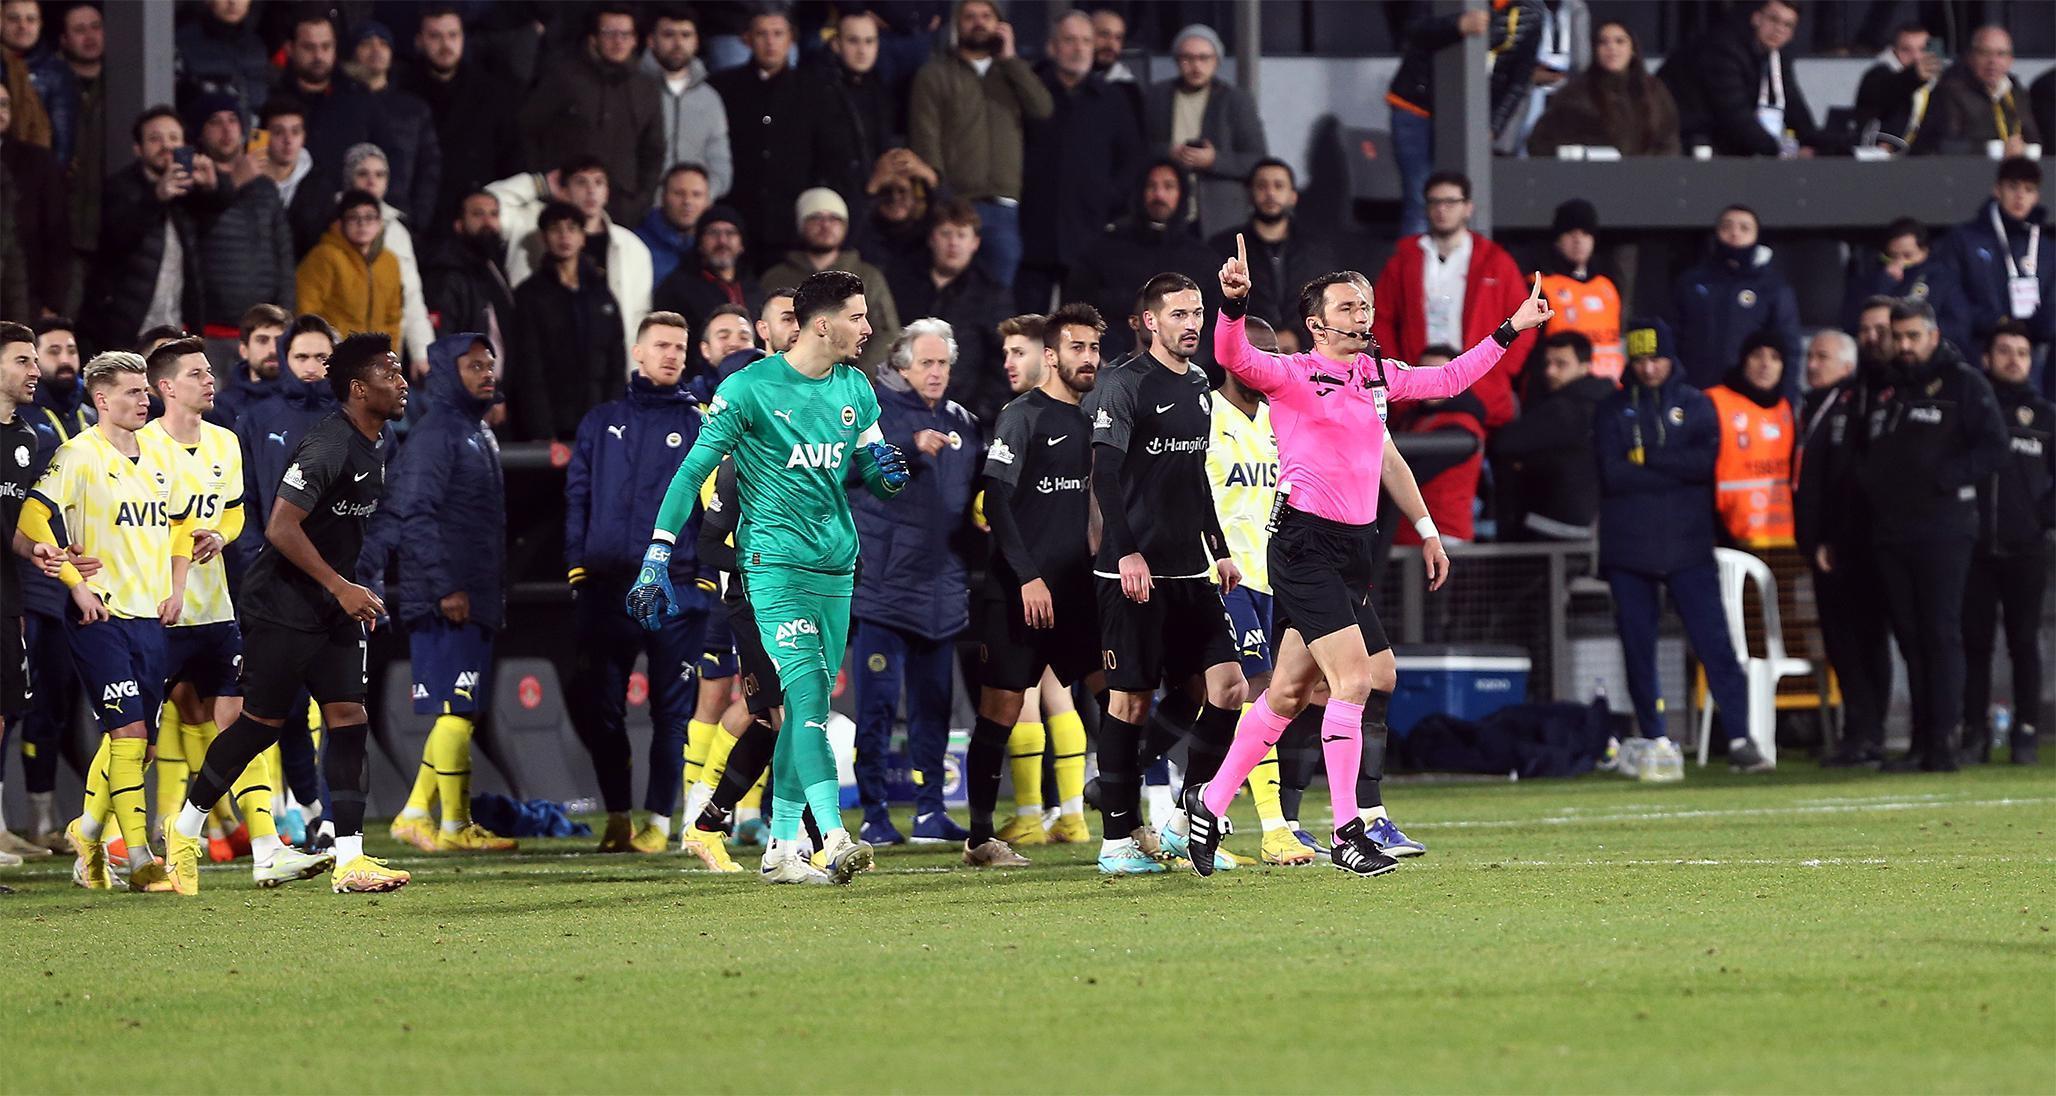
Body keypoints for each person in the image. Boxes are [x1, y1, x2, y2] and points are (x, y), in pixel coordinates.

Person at [1186, 249, 1551, 878]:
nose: (1363, 316)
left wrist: (1510, 329)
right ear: (1320, 324)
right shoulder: (1292, 374)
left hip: (1352, 552)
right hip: (1303, 546)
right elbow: (1232, 357)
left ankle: (1211, 804)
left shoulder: (1378, 375)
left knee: (1292, 690)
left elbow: (1450, 380)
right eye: (1349, 307)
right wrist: (1234, 304)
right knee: (1354, 681)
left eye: (1367, 306)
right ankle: (1350, 829)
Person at [635, 270, 910, 886]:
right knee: (808, 695)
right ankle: (834, 837)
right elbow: (689, 475)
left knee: (804, 709)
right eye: (859, 317)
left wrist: (889, 474)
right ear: (823, 323)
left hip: (837, 565)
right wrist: (657, 554)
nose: (869, 329)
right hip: (772, 565)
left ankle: (781, 847)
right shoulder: (749, 390)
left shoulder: (858, 390)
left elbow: (874, 473)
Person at [160, 334, 411, 894]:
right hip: (283, 605)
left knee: (349, 718)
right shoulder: (327, 446)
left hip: (332, 605)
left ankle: (350, 861)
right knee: (260, 726)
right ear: (357, 389)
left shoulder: (380, 439)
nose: (402, 383)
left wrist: (347, 589)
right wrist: (341, 586)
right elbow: (279, 527)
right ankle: (184, 830)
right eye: (389, 375)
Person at [1074, 272, 1247, 875]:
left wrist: (1218, 546)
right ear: (1152, 321)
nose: (1192, 322)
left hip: (1189, 572)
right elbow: (1107, 476)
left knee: (1229, 689)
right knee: (1130, 703)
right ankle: (1118, 841)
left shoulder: (1201, 383)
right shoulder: (1124, 385)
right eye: (1179, 313)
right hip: (1128, 573)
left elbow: (1195, 476)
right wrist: (1124, 552)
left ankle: (1183, 823)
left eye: (1198, 311)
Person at [142, 337, 331, 887]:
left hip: (216, 611)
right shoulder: (142, 447)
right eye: (197, 373)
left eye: (209, 371)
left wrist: (218, 538)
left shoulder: (225, 441)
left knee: (245, 725)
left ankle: (267, 849)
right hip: (155, 611)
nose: (210, 380)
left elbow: (233, 517)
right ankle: (102, 840)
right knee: (134, 736)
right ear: (167, 387)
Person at [19, 350, 193, 893]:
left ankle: (87, 833)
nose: (145, 400)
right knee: (129, 732)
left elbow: (182, 524)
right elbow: (30, 521)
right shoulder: (78, 455)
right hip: (100, 615)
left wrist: (178, 587)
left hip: (151, 616)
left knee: (137, 745)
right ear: (101, 399)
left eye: (146, 391)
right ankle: (139, 856)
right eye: (132, 392)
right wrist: (75, 582)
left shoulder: (163, 453)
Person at [1591, 318, 1769, 781]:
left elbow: (1703, 463)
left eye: (1657, 358)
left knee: (1716, 644)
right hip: (1629, 548)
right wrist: (1671, 467)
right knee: (1638, 648)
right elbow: (1612, 474)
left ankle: (1740, 738)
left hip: (1689, 546)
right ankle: (1655, 738)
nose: (1649, 368)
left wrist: (1647, 458)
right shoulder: (1611, 409)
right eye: (1641, 359)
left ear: (1672, 358)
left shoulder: (1698, 404)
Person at [563, 313, 708, 854]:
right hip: (608, 586)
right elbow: (577, 494)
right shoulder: (601, 421)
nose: (672, 355)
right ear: (638, 351)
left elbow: (718, 503)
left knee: (673, 713)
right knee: (603, 707)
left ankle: (659, 823)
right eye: (662, 345)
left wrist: (708, 577)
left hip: (678, 585)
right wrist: (577, 565)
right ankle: (619, 815)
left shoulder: (702, 423)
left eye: (680, 347)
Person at [964, 306, 1104, 863]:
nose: (1088, 358)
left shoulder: (1096, 418)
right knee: (1000, 709)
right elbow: (996, 497)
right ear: (1051, 355)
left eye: (1094, 348)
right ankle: (979, 839)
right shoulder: (1022, 416)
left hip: (1077, 591)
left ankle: (1126, 825)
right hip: (1019, 591)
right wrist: (1029, 577)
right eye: (1077, 348)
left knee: (1121, 699)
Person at [1858, 299, 2010, 772]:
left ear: (1933, 334)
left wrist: (1946, 478)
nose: (1903, 346)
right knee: (1909, 637)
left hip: (1944, 528)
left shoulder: (1964, 383)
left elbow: (1995, 447)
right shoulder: (1884, 388)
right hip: (1891, 531)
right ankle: (1921, 741)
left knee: (1941, 634)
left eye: (1912, 337)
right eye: (1896, 337)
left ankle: (1946, 739)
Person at [851, 320, 982, 847]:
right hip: (883, 588)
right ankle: (874, 815)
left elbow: (974, 496)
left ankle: (931, 811)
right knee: (877, 708)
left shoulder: (965, 423)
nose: (936, 372)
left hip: (942, 589)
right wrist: (907, 447)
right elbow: (847, 471)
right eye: (926, 363)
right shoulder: (870, 413)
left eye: (943, 363)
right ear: (901, 365)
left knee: (934, 707)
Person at [383, 334, 515, 853]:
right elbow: (414, 516)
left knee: (463, 710)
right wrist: (446, 588)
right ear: (444, 373)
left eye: (490, 364)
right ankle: (423, 816)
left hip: (473, 593)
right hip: (448, 599)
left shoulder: (473, 430)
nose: (486, 373)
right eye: (473, 366)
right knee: (456, 708)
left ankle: (444, 821)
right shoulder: (437, 433)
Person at [1795, 321, 1892, 769]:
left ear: (1848, 365)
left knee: (1861, 640)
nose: (1811, 365)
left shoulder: (1851, 405)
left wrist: (1832, 537)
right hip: (1825, 544)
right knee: (1842, 642)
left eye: (1822, 358)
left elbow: (1846, 481)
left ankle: (1868, 733)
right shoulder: (1813, 407)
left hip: (1849, 545)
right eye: (1810, 357)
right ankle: (1860, 732)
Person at [907, 0, 1053, 289]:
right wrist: (942, 193)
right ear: (956, 25)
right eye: (970, 16)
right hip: (956, 206)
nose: (978, 22)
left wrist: (1010, 58)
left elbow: (1043, 108)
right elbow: (925, 137)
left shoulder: (1010, 73)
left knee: (998, 301)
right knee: (949, 294)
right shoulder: (935, 74)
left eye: (986, 16)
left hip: (1005, 207)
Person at [1370, 171, 1533, 429]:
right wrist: (1395, 371)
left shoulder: (1495, 260)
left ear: (1468, 207)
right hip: (1417, 383)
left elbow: (1524, 322)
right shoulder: (1404, 258)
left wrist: (1500, 370)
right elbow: (1382, 320)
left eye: (1450, 202)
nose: (1441, 210)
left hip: (1478, 381)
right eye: (1434, 202)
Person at [1961, 321, 2052, 766]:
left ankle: (2026, 732)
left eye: (2021, 351)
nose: (2013, 358)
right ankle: (1974, 732)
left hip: (2027, 549)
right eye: (2004, 350)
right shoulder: (1973, 410)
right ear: (1986, 358)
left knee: (2024, 643)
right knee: (1974, 643)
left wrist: (2041, 520)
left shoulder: (2046, 415)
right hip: (1973, 548)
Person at [1016, 8, 1142, 314]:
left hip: (1090, 230)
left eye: (1086, 40)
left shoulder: (1112, 99)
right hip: (1032, 230)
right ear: (1053, 46)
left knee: (1082, 328)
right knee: (1028, 326)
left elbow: (1133, 161)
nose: (1079, 48)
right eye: (1070, 40)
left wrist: (1106, 200)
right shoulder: (1030, 91)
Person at [707, 9, 859, 260]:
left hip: (793, 224)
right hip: (740, 220)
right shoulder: (724, 88)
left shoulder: (816, 91)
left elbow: (833, 156)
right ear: (747, 39)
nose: (770, 42)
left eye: (778, 34)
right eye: (762, 34)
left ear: (791, 40)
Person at [1385, 2, 1543, 235]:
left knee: (1465, 202)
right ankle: (1414, 270)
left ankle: (1462, 269)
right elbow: (1413, 28)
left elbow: (1519, 79)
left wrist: (1493, 126)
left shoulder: (1531, 10)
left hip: (1471, 119)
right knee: (1420, 199)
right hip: (1415, 106)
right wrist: (1458, 24)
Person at [490, 159, 654, 359]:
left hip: (604, 367)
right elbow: (485, 203)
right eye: (581, 182)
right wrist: (538, 184)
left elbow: (639, 317)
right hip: (538, 356)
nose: (591, 191)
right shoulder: (529, 224)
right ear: (564, 191)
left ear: (607, 192)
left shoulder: (632, 247)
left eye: (598, 182)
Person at [519, 6, 663, 226]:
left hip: (623, 208)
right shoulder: (563, 78)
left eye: (625, 34)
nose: (618, 41)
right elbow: (528, 130)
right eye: (609, 33)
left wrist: (641, 201)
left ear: (635, 40)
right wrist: (544, 186)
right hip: (563, 206)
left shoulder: (647, 88)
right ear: (593, 38)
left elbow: (653, 150)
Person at [86, 105, 212, 354]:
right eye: (155, 139)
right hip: (128, 327)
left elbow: (222, 202)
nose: (166, 146)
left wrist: (214, 183)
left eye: (174, 138)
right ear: (138, 148)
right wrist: (156, 197)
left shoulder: (189, 191)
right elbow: (115, 240)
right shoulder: (119, 187)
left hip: (177, 324)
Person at [1065, 161, 1217, 363]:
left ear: (1182, 194)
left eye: (1168, 187)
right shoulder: (1104, 249)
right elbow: (1076, 310)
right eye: (1151, 186)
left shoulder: (1203, 258)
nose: (1159, 195)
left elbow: (1215, 326)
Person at [0, 322, 55, 863]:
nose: (34, 370)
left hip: (6, 595)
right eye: (22, 360)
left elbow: (10, 523)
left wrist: (36, 549)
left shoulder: (26, 438)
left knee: (2, 715)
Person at [506, 201, 626, 442]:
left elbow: (616, 361)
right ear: (544, 237)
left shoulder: (602, 294)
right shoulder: (529, 294)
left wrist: (613, 420)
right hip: (552, 426)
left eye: (572, 228)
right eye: (555, 229)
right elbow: (529, 367)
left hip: (599, 421)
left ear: (583, 237)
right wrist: (541, 430)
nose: (564, 236)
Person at [188, 94, 293, 366]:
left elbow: (283, 256)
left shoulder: (265, 188)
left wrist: (284, 319)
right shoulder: (194, 185)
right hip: (210, 330)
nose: (226, 129)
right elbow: (196, 233)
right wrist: (234, 181)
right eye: (215, 121)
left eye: (233, 120)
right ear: (201, 132)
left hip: (262, 333)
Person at [887, 198, 1008, 424]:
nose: (953, 243)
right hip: (900, 409)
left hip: (963, 415)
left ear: (975, 243)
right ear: (932, 238)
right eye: (945, 233)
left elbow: (1002, 361)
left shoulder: (992, 295)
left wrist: (978, 414)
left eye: (961, 235)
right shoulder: (900, 283)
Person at [1142, 24, 1270, 238]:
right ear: (1177, 60)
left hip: (1219, 212)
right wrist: (1170, 154)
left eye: (1204, 58)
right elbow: (1139, 149)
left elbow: (1256, 160)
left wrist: (1213, 160)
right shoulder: (1157, 96)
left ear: (1216, 61)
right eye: (1188, 58)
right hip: (1167, 208)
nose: (1196, 65)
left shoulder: (1235, 100)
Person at [1661, 0, 1833, 157]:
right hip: (1681, 138)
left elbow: (1795, 110)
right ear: (1756, 18)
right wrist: (1782, 150)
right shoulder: (1723, 50)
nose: (1779, 29)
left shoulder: (1778, 57)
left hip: (1720, 140)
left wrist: (1823, 145)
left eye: (1788, 25)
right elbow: (1734, 116)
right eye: (1773, 20)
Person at [403, 5, 522, 224]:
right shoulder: (403, 92)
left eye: (452, 35)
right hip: (423, 214)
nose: (445, 45)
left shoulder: (490, 92)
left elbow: (510, 153)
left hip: (476, 215)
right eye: (435, 36)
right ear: (419, 40)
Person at [1492, 330, 1613, 542]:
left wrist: (1525, 464)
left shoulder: (1564, 408)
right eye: (1547, 363)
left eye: (1561, 364)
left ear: (1585, 366)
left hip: (1551, 523)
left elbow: (1504, 442)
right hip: (1588, 523)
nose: (1550, 371)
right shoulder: (1606, 402)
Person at [761, 187, 899, 371]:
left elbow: (886, 333)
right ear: (801, 225)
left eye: (834, 219)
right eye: (815, 218)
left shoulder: (868, 276)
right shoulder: (776, 278)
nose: (825, 225)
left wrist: (859, 376)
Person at [1934, 158, 2055, 367]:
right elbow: (1951, 295)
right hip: (1977, 353)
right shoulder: (1965, 238)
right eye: (2013, 187)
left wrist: (2037, 326)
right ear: (1997, 190)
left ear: (2036, 197)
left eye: (2028, 189)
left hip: (2034, 357)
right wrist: (1994, 322)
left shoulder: (2046, 246)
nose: (2020, 196)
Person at [1671, 205, 1800, 390]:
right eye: (1727, 227)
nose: (1734, 233)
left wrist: (1786, 397)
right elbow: (1674, 338)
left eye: (1744, 228)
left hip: (1748, 396)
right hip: (1696, 393)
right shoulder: (1691, 282)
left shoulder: (1772, 287)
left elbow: (1788, 348)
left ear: (1757, 236)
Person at [1206, 160, 1334, 335]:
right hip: (1245, 350)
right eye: (1262, 186)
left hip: (1303, 353)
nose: (1270, 193)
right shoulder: (1222, 247)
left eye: (1279, 186)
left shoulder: (1317, 250)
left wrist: (1298, 336)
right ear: (1249, 194)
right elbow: (1212, 307)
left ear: (1293, 196)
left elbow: (1329, 304)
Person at [340, 144, 433, 375]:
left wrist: (422, 352)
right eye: (363, 173)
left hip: (384, 358)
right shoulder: (328, 219)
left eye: (380, 174)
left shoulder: (397, 231)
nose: (372, 181)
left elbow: (411, 295)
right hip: (338, 356)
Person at [1527, 20, 1681, 158]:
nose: (1611, 48)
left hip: (1649, 180)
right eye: (1603, 42)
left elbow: (1669, 141)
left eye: (1620, 41)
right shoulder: (1575, 94)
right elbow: (1540, 142)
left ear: (1632, 49)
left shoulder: (1654, 91)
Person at [1387, 345, 1489, 546]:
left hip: (1444, 537)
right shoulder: (1414, 417)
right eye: (1425, 372)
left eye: (1441, 373)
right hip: (1409, 535)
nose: (1432, 380)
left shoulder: (1463, 426)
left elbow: (1412, 472)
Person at [341, 21, 438, 225]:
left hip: (400, 217)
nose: (376, 49)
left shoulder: (413, 108)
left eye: (384, 43)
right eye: (367, 43)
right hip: (347, 217)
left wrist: (418, 218)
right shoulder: (338, 105)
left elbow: (428, 168)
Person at [1705, 332, 1796, 548]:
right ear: (1743, 360)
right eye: (1757, 356)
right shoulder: (1715, 403)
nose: (1766, 364)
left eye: (1775, 358)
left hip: (1780, 539)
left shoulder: (1785, 409)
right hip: (1728, 537)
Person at [1841, 217, 1972, 354]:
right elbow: (1851, 322)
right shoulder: (1872, 278)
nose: (1900, 262)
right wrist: (1883, 285)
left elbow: (1959, 327)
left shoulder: (1943, 279)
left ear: (1924, 251)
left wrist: (1916, 331)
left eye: (1907, 256)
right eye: (1893, 256)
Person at [295, 189, 404, 352]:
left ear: (380, 223)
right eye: (354, 217)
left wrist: (390, 357)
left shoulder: (390, 262)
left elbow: (393, 318)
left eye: (369, 217)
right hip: (333, 358)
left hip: (374, 361)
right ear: (341, 222)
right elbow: (306, 311)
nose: (362, 224)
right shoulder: (325, 256)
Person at [641, 4, 731, 200]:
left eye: (686, 35)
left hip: (695, 215)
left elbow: (720, 163)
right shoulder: (634, 91)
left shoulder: (710, 98)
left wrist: (701, 198)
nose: (678, 43)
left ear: (696, 41)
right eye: (668, 35)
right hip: (642, 212)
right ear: (651, 40)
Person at [652, 204, 759, 367]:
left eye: (730, 233)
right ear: (700, 242)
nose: (722, 241)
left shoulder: (755, 290)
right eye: (713, 233)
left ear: (741, 244)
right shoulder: (677, 288)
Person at [1908, 27, 2041, 158]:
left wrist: (2023, 147)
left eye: (2001, 54)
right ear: (1970, 57)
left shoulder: (2015, 91)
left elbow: (2033, 137)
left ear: (2010, 59)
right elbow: (1945, 146)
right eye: (1985, 53)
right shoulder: (1950, 89)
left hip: (2011, 172)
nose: (1993, 61)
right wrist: (1995, 148)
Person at [1531, 198, 1624, 380]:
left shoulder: (1607, 287)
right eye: (1570, 233)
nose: (1578, 240)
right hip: (1564, 395)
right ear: (1557, 239)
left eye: (1585, 233)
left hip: (1609, 393)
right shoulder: (1540, 287)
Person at [0, 81, 69, 317]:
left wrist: (53, 303)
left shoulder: (37, 161)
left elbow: (57, 236)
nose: (0, 112)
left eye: (4, 105)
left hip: (25, 298)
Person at [420, 188, 513, 356]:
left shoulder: (493, 266)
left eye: (494, 214)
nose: (488, 222)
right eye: (478, 214)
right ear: (459, 224)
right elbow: (442, 341)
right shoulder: (447, 273)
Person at [258, 96, 328, 260]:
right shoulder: (247, 180)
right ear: (263, 136)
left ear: (303, 137)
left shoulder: (320, 185)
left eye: (295, 131)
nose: (288, 140)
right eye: (278, 132)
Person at [1851, 23, 1942, 145]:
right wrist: (1914, 76)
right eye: (1906, 50)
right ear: (1894, 50)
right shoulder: (1877, 76)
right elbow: (1890, 89)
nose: (1916, 57)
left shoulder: (1939, 82)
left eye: (1922, 49)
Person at [205, 303, 285, 430]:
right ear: (244, 350)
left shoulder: (306, 400)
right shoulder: (222, 407)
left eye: (280, 341)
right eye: (262, 340)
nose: (273, 350)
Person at [637, 163, 711, 287]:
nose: (687, 201)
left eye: (696, 194)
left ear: (707, 202)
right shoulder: (637, 244)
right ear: (663, 197)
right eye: (679, 193)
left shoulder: (716, 247)